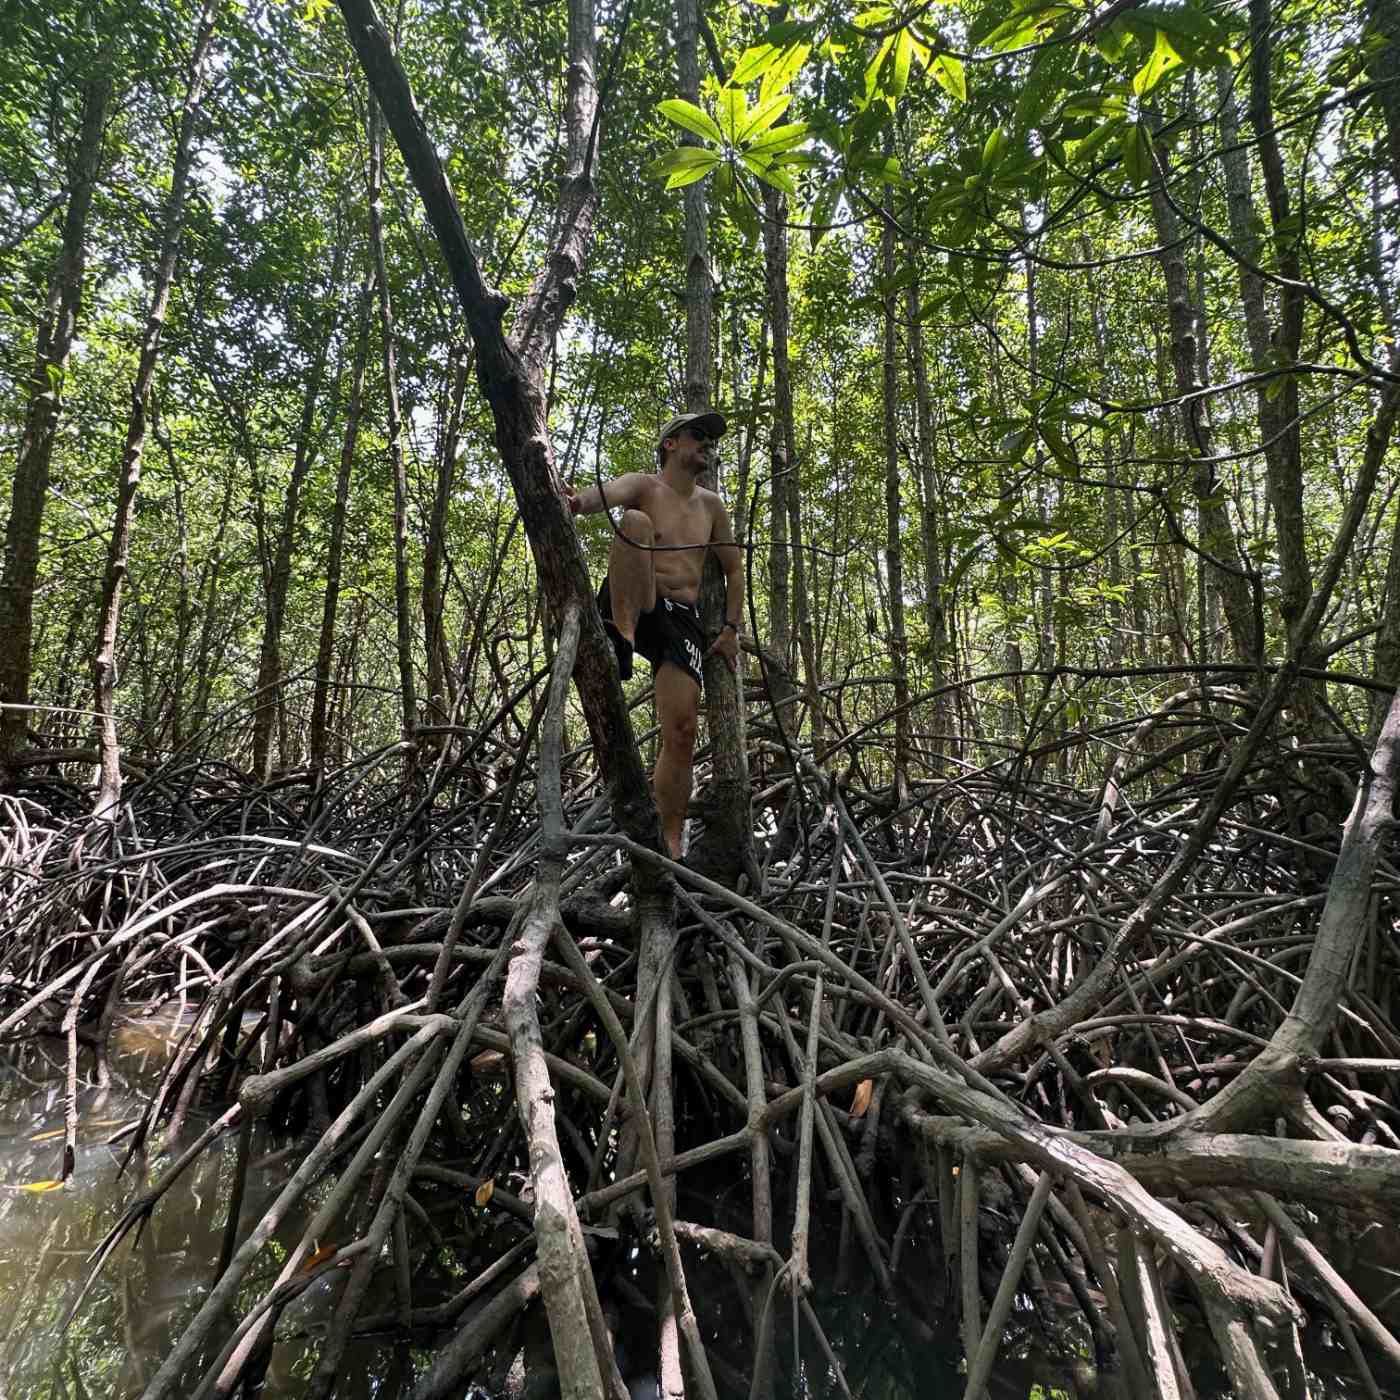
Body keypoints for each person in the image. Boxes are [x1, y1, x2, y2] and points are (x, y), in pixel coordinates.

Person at [564, 411, 744, 858]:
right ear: (670, 444)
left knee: (682, 731)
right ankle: (621, 636)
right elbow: (594, 499)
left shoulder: (711, 505)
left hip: (681, 616)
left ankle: (670, 841)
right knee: (635, 522)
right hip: (637, 597)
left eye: (709, 439)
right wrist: (574, 500)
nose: (706, 444)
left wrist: (731, 629)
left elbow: (734, 566)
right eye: (697, 436)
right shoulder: (644, 485)